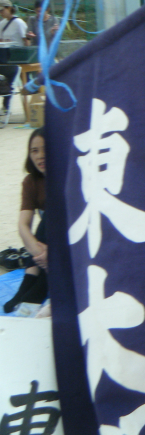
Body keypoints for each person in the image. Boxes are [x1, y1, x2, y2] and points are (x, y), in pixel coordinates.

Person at [4, 129, 49, 314]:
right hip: (47, 248)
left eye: (45, 149)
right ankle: (28, 285)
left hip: (68, 243)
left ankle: (38, 288)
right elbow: (23, 225)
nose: (40, 156)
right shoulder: (31, 181)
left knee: (51, 217)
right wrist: (43, 255)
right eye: (34, 151)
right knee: (42, 226)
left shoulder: (68, 177)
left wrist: (55, 256)